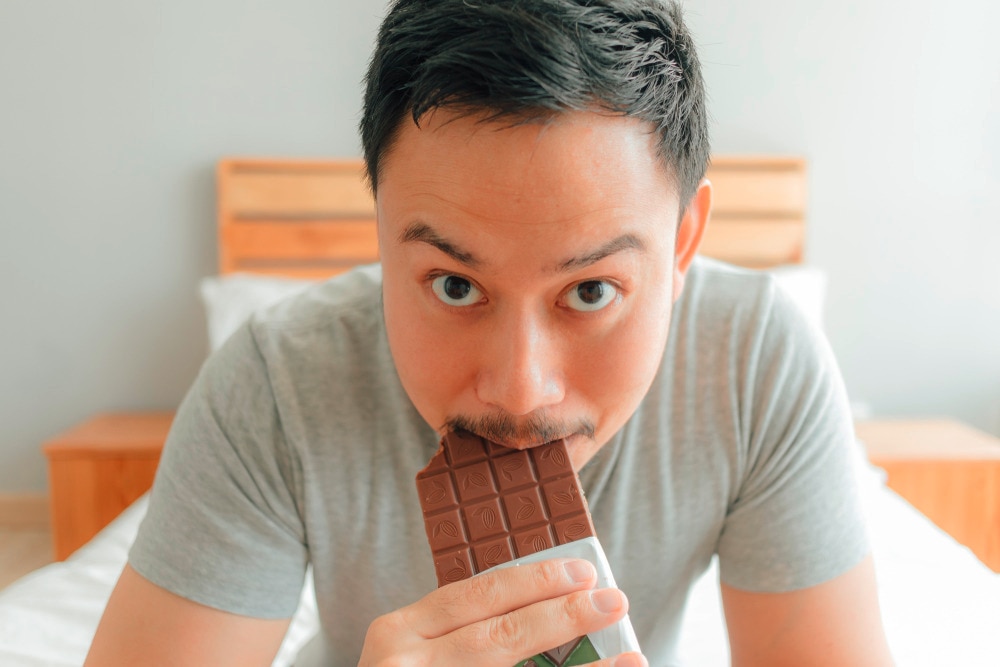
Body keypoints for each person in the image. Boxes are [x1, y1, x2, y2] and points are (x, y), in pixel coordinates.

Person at [86, 0, 895, 665]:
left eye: (589, 291)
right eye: (455, 285)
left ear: (683, 245)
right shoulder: (273, 386)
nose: (518, 388)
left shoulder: (756, 361)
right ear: (380, 233)